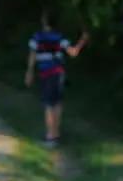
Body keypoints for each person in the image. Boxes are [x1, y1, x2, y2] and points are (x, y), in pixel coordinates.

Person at [24, 9, 88, 147]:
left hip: (45, 72)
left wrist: (29, 72)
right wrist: (82, 40)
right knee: (58, 103)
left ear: (44, 20)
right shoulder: (60, 37)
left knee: (48, 104)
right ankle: (56, 134)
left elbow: (32, 55)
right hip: (59, 72)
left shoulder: (37, 37)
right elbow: (73, 52)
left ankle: (50, 136)